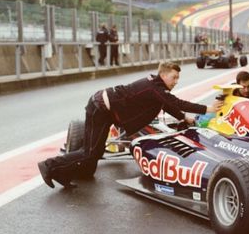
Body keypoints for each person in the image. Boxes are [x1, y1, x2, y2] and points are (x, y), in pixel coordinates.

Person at [37, 62, 223, 189]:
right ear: (163, 75)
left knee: (93, 156)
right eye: (174, 78)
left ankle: (62, 174)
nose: (176, 82)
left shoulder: (156, 89)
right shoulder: (154, 88)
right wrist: (208, 108)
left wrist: (185, 118)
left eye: (177, 78)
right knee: (89, 153)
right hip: (100, 107)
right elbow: (175, 102)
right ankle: (48, 165)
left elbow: (167, 105)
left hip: (106, 109)